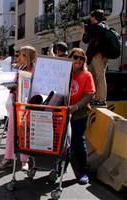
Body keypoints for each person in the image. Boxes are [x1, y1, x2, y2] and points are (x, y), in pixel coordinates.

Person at [0, 46, 37, 171]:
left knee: (25, 133)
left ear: (27, 56)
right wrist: (12, 87)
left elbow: (36, 88)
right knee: (11, 132)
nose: (18, 57)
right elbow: (17, 84)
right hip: (17, 104)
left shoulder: (35, 70)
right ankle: (8, 158)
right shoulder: (21, 68)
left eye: (20, 54)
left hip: (29, 106)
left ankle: (24, 161)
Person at [67, 48, 96, 184]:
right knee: (63, 143)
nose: (78, 60)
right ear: (70, 58)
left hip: (80, 114)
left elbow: (90, 94)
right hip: (62, 114)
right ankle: (61, 168)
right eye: (75, 57)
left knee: (78, 142)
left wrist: (76, 106)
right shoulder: (64, 74)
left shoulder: (87, 75)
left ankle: (84, 172)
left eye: (81, 58)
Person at [82, 9, 108, 106]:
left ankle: (101, 99)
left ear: (94, 17)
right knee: (95, 77)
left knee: (99, 77)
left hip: (97, 55)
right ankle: (96, 98)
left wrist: (84, 31)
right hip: (104, 55)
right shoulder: (105, 26)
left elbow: (85, 40)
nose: (90, 18)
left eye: (91, 17)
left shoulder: (94, 27)